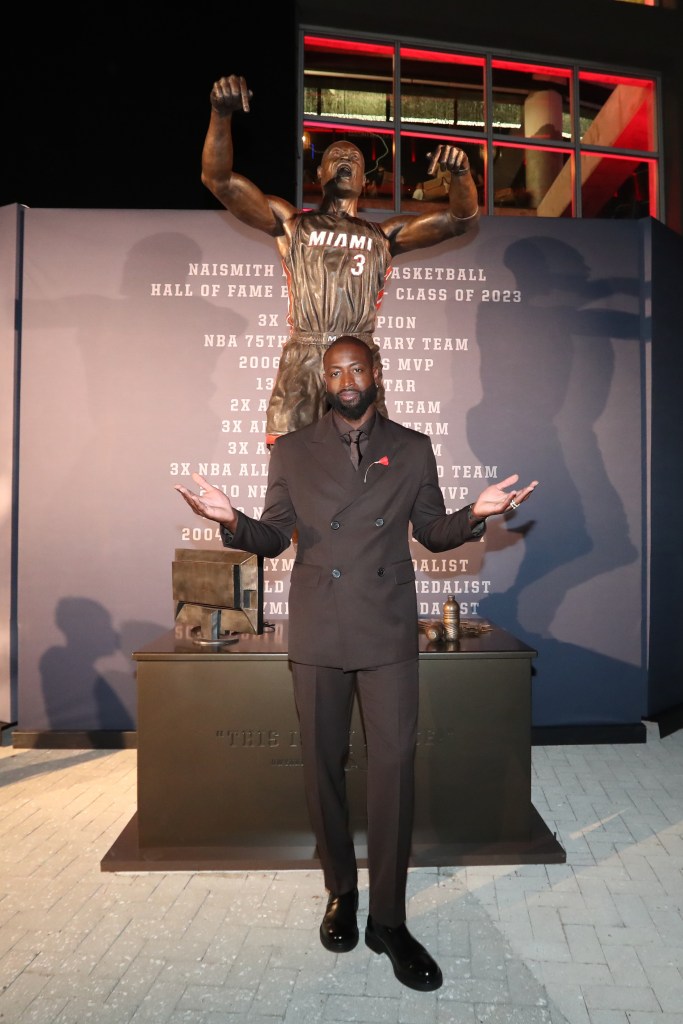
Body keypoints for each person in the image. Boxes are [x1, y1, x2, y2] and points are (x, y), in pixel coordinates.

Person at [175, 335, 538, 992]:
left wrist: (474, 515)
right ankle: (340, 891)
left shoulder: (413, 447)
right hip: (318, 628)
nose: (346, 379)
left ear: (375, 373)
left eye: (356, 367)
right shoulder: (291, 450)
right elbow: (273, 535)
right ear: (325, 379)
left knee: (394, 772)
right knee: (322, 770)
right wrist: (232, 521)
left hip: (384, 629)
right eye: (334, 370)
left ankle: (390, 921)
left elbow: (431, 531)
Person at [201, 74, 480, 445]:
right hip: (306, 356)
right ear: (320, 172)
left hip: (357, 355)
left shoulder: (383, 235)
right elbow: (218, 179)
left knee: (366, 464)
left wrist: (461, 175)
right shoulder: (291, 223)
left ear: (366, 179)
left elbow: (460, 221)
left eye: (355, 158)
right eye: (336, 156)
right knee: (292, 461)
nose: (346, 159)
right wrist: (221, 114)